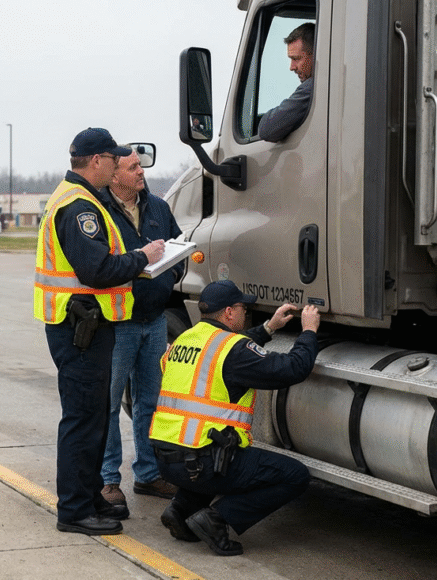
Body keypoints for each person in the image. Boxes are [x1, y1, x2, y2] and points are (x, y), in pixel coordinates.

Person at [34, 127, 165, 536]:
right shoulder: (79, 207)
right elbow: (98, 270)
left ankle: (89, 499)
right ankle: (74, 510)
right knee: (83, 420)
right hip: (80, 329)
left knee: (92, 421)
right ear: (96, 161)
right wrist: (142, 257)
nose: (116, 165)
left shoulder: (83, 199)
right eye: (112, 159)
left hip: (85, 325)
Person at [149, 280, 319, 556]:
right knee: (294, 476)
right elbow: (292, 369)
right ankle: (217, 519)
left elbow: (229, 351)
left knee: (215, 451)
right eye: (242, 307)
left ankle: (180, 511)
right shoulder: (234, 350)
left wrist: (269, 327)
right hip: (201, 462)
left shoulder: (185, 339)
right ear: (229, 312)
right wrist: (309, 331)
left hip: (167, 460)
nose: (245, 312)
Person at [98, 147, 184, 517]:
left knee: (151, 402)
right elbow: (98, 264)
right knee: (107, 405)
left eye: (140, 165)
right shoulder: (97, 211)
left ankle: (149, 474)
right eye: (132, 167)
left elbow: (179, 247)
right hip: (116, 325)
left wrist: (173, 276)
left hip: (154, 320)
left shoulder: (158, 208)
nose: (141, 172)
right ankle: (107, 480)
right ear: (114, 174)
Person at [258, 22, 315, 143]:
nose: (292, 67)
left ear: (316, 55)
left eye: (296, 59)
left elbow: (267, 130)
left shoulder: (313, 88)